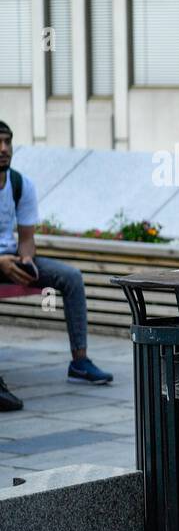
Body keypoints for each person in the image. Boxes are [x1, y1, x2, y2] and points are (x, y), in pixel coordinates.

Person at [0, 120, 114, 392]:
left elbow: (27, 239)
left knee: (71, 277)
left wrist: (26, 260)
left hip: (11, 258)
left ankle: (80, 362)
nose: (3, 149)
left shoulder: (20, 184)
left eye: (8, 142)